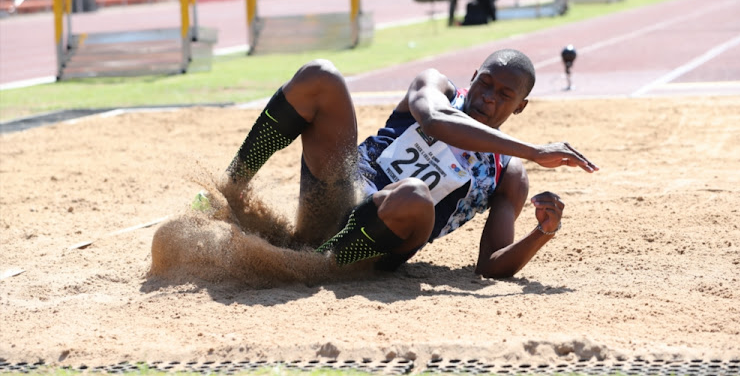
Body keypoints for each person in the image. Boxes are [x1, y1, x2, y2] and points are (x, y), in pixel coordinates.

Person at [214, 49, 598, 279]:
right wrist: (533, 149)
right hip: (337, 193)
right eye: (485, 83)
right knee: (321, 75)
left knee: (414, 194)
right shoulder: (437, 87)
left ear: (520, 107)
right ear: (473, 77)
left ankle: (317, 265)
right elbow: (435, 121)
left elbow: (491, 265)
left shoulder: (508, 174)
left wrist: (543, 232)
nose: (488, 98)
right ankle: (229, 187)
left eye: (504, 95)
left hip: (380, 241)